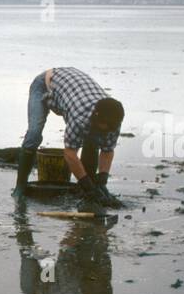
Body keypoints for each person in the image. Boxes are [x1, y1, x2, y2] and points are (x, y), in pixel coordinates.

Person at [16, 67, 124, 208]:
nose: (108, 132)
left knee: (93, 140)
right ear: (95, 118)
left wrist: (102, 180)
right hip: (45, 84)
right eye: (106, 128)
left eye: (112, 128)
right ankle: (20, 186)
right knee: (34, 134)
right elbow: (70, 154)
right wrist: (86, 184)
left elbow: (107, 150)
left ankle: (88, 192)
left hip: (72, 89)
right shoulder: (80, 118)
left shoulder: (112, 120)